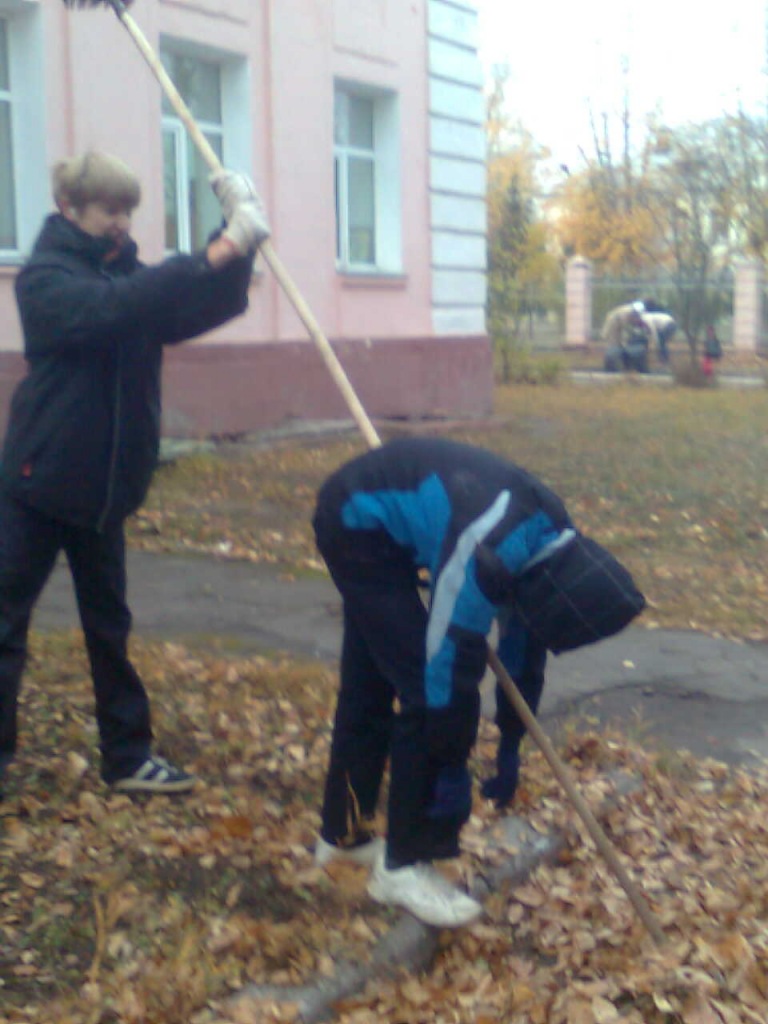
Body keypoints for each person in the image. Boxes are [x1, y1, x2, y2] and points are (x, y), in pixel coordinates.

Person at [0, 151, 269, 796]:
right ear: (70, 208)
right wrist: (218, 249)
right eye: (109, 210)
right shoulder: (44, 279)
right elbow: (113, 308)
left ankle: (126, 757)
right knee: (4, 625)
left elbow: (197, 306)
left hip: (104, 490)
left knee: (109, 631)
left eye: (128, 211)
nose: (121, 222)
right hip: (39, 482)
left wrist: (239, 237)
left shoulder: (127, 275)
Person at [311, 437, 645, 928]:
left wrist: (510, 740)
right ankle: (402, 867)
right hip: (355, 525)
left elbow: (523, 652)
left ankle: (343, 836)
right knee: (424, 693)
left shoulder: (552, 544)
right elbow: (446, 667)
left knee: (371, 686)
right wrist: (450, 766)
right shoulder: (486, 551)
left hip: (393, 517)